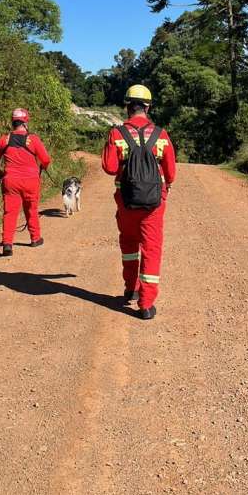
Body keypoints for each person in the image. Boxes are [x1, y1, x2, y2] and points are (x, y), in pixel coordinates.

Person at [102, 85, 176, 320]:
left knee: (129, 244)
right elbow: (171, 172)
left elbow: (109, 167)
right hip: (154, 203)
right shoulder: (161, 135)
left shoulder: (116, 134)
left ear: (127, 106)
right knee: (151, 249)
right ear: (148, 106)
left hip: (125, 201)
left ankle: (130, 289)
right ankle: (146, 304)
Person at [0, 108, 51, 257]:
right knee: (31, 209)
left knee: (10, 212)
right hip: (31, 180)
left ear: (13, 122)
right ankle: (35, 238)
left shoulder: (4, 139)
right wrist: (42, 167)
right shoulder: (34, 139)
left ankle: (7, 244)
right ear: (25, 122)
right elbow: (46, 159)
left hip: (10, 181)